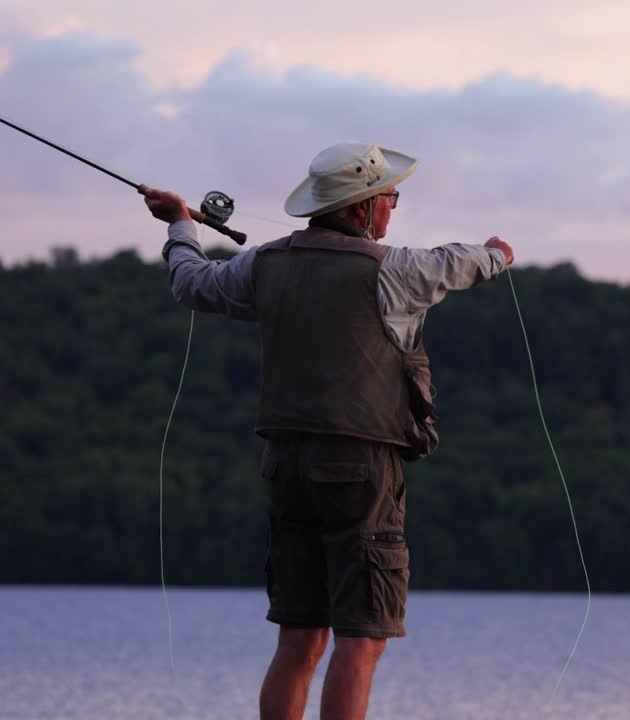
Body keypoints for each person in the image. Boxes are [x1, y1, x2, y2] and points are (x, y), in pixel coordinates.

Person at [141, 142, 515, 720]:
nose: (393, 207)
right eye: (389, 197)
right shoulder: (395, 270)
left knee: (299, 638)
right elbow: (466, 260)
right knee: (361, 640)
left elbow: (192, 283)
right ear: (360, 207)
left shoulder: (262, 265)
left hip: (285, 468)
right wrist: (498, 253)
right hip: (362, 470)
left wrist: (182, 228)